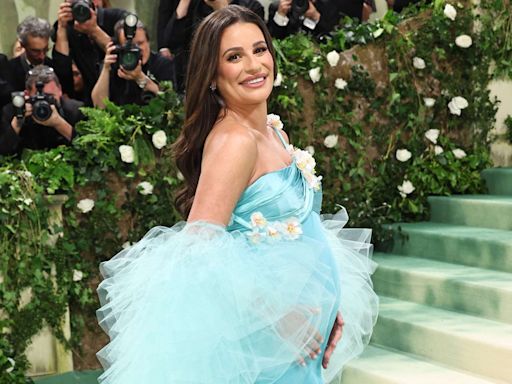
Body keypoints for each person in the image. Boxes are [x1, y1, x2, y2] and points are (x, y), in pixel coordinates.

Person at [96, 5, 378, 384]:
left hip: (301, 341)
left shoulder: (273, 131)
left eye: (259, 50)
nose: (253, 65)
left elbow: (300, 230)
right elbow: (199, 250)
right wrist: (281, 317)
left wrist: (327, 308)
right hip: (264, 347)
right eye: (234, 57)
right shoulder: (234, 142)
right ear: (212, 75)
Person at [158, 0, 264, 91]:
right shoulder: (196, 7)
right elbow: (171, 41)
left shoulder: (251, 7)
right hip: (197, 82)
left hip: (237, 80)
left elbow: (246, 45)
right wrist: (184, 3)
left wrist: (222, 9)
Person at [52, 0, 127, 104]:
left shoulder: (117, 17)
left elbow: (126, 57)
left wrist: (94, 30)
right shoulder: (68, 25)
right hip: (90, 101)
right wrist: (62, 29)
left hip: (124, 93)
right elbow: (62, 72)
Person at [91, 17, 177, 108]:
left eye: (140, 43)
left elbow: (172, 104)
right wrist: (106, 68)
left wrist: (140, 78)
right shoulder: (114, 64)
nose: (137, 50)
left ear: (148, 42)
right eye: (129, 46)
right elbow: (98, 105)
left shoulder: (162, 64)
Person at [0, 66, 83, 156]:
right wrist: (17, 124)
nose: (44, 104)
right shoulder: (12, 112)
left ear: (60, 90)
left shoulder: (76, 110)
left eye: (49, 97)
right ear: (27, 94)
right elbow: (3, 154)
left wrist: (59, 124)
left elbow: (87, 150)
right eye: (38, 98)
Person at [7, 16, 73, 95]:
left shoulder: (56, 68)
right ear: (23, 45)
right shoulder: (9, 70)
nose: (42, 56)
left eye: (45, 49)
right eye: (35, 51)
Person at [267, 0, 370, 40]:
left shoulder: (329, 7)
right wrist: (280, 15)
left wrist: (316, 17)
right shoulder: (278, 8)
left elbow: (336, 38)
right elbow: (273, 41)